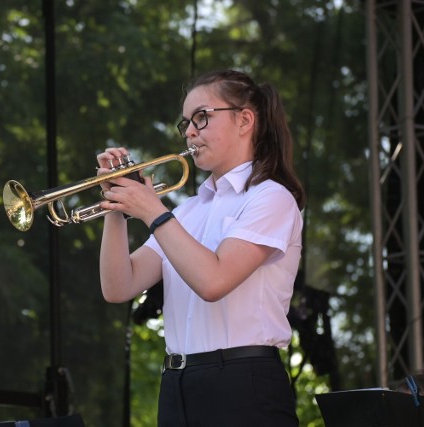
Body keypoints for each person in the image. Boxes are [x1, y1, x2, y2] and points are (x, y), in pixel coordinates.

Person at [95, 69, 305, 426]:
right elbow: (118, 287)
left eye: (202, 117)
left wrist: (151, 210)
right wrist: (115, 204)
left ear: (244, 120)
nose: (190, 131)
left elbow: (213, 281)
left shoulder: (271, 197)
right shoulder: (187, 211)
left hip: (242, 382)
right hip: (178, 384)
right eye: (186, 123)